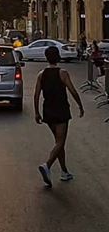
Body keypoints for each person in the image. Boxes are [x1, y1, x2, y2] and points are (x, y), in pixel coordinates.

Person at [34, 45, 84, 187]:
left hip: (48, 111)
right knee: (60, 142)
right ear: (58, 57)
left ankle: (64, 172)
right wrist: (80, 105)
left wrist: (37, 112)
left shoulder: (41, 74)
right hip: (61, 110)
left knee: (58, 142)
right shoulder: (63, 73)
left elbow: (37, 95)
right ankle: (47, 165)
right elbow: (73, 91)